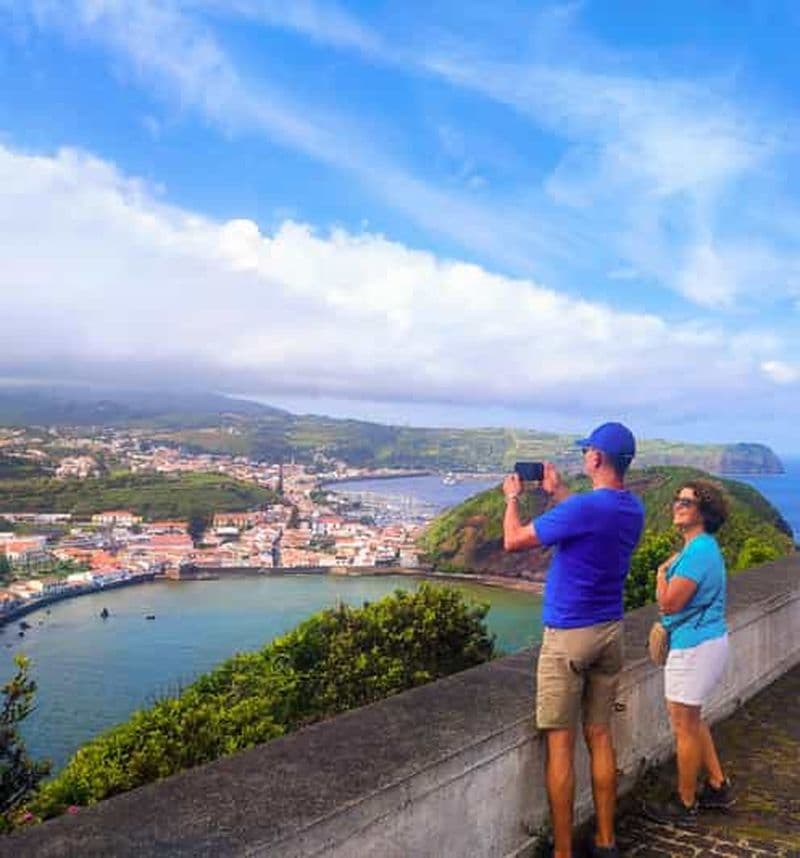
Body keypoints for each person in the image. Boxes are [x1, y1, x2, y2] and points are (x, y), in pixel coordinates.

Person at [503, 422, 644, 858]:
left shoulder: (584, 509)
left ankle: (563, 852)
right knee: (600, 735)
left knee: (560, 743)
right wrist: (557, 493)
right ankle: (605, 841)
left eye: (587, 451)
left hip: (569, 635)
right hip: (610, 632)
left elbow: (514, 541)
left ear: (597, 458)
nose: (585, 457)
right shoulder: (632, 509)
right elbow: (585, 518)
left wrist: (512, 499)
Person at [643, 480, 734, 825]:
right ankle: (717, 784)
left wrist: (660, 574)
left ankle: (685, 804)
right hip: (704, 643)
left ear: (703, 513)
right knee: (692, 721)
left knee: (683, 726)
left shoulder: (698, 552)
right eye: (677, 499)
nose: (677, 505)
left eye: (687, 502)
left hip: (694, 647)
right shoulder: (701, 548)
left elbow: (668, 605)